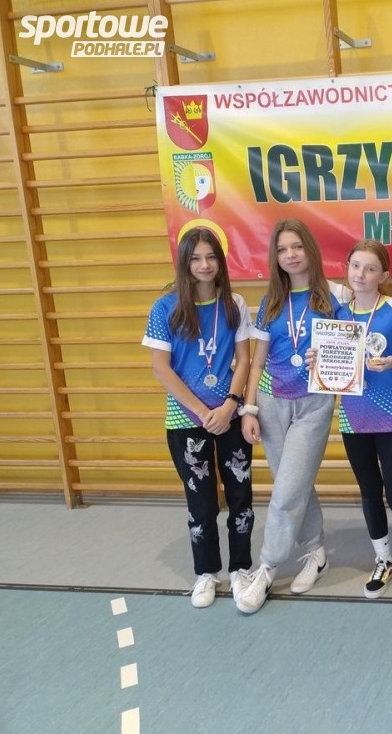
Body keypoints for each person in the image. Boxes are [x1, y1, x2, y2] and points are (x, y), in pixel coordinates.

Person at [235, 218, 351, 614]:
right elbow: (256, 362)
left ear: (310, 250)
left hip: (314, 403)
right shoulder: (271, 300)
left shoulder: (337, 296)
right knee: (294, 483)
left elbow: (352, 345)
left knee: (286, 490)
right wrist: (249, 408)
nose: (290, 255)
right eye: (283, 249)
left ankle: (266, 568)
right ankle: (316, 552)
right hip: (271, 401)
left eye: (297, 247)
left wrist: (329, 357)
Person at [142, 226, 254, 608]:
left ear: (220, 261)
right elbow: (161, 368)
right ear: (184, 263)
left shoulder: (235, 304)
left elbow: (244, 360)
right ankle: (206, 573)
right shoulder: (165, 309)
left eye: (211, 257)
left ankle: (241, 568)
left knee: (240, 496)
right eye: (195, 258)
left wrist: (230, 405)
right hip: (187, 420)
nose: (204, 265)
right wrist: (204, 412)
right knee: (201, 502)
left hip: (230, 416)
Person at [334, 240, 392, 597]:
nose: (361, 274)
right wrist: (317, 361)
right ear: (347, 268)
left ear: (383, 275)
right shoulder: (338, 315)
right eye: (355, 266)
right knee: (369, 492)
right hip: (353, 417)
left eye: (370, 268)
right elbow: (330, 361)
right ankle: (383, 559)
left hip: (391, 415)